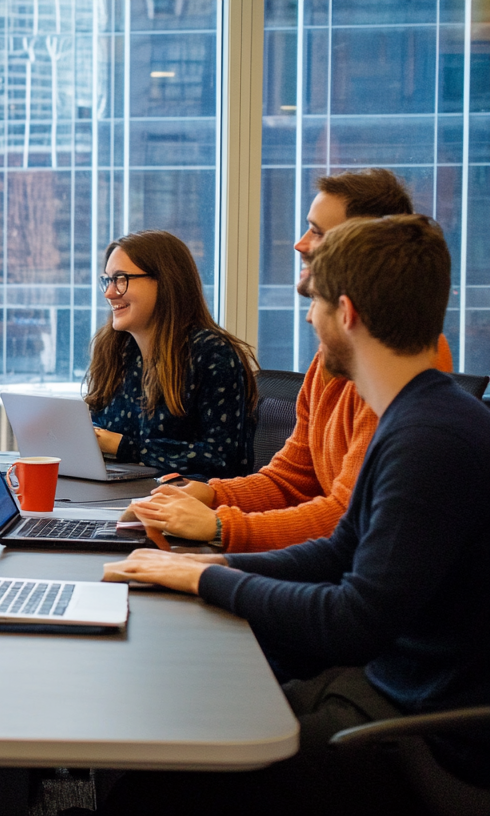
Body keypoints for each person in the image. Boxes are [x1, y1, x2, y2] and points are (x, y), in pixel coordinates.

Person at [94, 215, 490, 815]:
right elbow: (337, 553)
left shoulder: (430, 440)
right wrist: (215, 563)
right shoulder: (413, 415)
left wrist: (208, 577)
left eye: (315, 305)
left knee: (158, 781)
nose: (309, 319)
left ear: (347, 314)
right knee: (160, 727)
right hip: (387, 684)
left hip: (424, 731)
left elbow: (352, 618)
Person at [127, 168, 454, 550]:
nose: (300, 244)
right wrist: (208, 495)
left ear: (364, 242)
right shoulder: (332, 358)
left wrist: (219, 527)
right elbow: (291, 480)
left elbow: (347, 517)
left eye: (316, 231)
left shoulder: (396, 362)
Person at [85, 230, 258, 480]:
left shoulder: (212, 353)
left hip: (186, 506)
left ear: (165, 281)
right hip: (121, 492)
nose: (109, 293)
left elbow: (223, 460)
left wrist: (124, 447)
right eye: (107, 280)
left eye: (121, 279)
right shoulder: (115, 349)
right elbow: (101, 432)